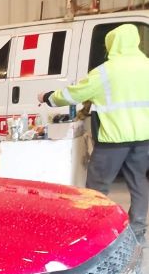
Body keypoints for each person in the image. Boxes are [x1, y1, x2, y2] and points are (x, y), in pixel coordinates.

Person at [38, 23, 149, 243]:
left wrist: (48, 97)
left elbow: (74, 95)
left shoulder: (105, 72)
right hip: (144, 138)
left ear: (112, 44)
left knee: (97, 188)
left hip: (113, 140)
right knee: (139, 183)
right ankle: (138, 232)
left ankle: (94, 233)